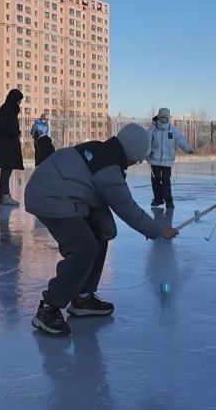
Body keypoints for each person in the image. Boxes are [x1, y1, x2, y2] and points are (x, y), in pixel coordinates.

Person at [24, 124, 179, 336]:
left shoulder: (102, 151)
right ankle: (49, 308)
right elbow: (128, 209)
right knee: (83, 248)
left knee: (100, 233)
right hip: (50, 197)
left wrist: (106, 227)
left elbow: (96, 197)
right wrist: (159, 230)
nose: (137, 163)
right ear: (133, 154)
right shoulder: (109, 170)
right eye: (138, 159)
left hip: (58, 191)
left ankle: (83, 297)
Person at [147, 108, 194, 207]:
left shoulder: (172, 130)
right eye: (161, 117)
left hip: (167, 162)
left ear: (168, 118)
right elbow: (147, 143)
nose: (163, 120)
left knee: (166, 182)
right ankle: (158, 199)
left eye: (165, 118)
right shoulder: (153, 130)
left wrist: (188, 149)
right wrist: (147, 153)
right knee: (155, 181)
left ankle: (169, 201)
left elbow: (180, 140)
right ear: (158, 117)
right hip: (154, 161)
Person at [0, 89, 25, 205]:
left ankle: (3, 195)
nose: (19, 104)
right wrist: (17, 133)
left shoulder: (5, 109)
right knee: (6, 170)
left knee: (5, 170)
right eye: (19, 101)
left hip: (5, 145)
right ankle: (5, 195)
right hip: (7, 146)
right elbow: (11, 128)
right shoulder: (8, 111)